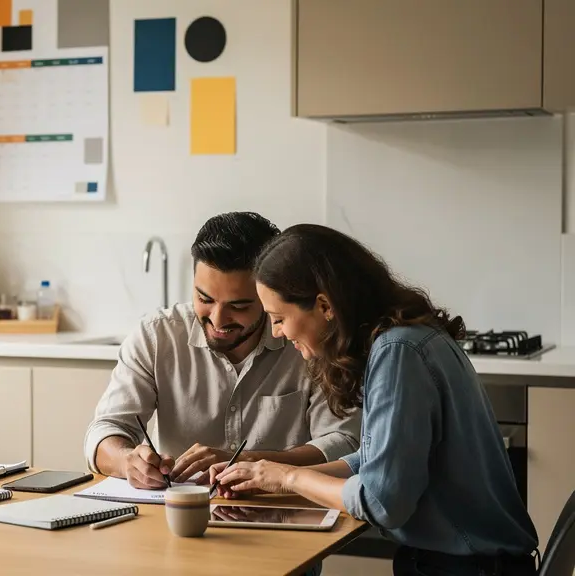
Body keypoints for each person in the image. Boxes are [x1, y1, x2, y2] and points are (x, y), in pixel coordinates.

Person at [211, 224, 538, 576]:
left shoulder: (398, 352)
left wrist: (289, 478)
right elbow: (377, 459)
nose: (276, 332)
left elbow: (381, 501)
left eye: (279, 319)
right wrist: (266, 479)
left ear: (324, 305)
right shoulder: (406, 339)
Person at [84, 212, 360, 490]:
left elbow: (344, 442)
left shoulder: (306, 338)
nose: (218, 319)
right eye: (204, 299)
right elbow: (104, 431)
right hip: (178, 514)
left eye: (238, 306)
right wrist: (127, 462)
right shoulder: (157, 336)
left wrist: (251, 462)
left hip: (285, 507)